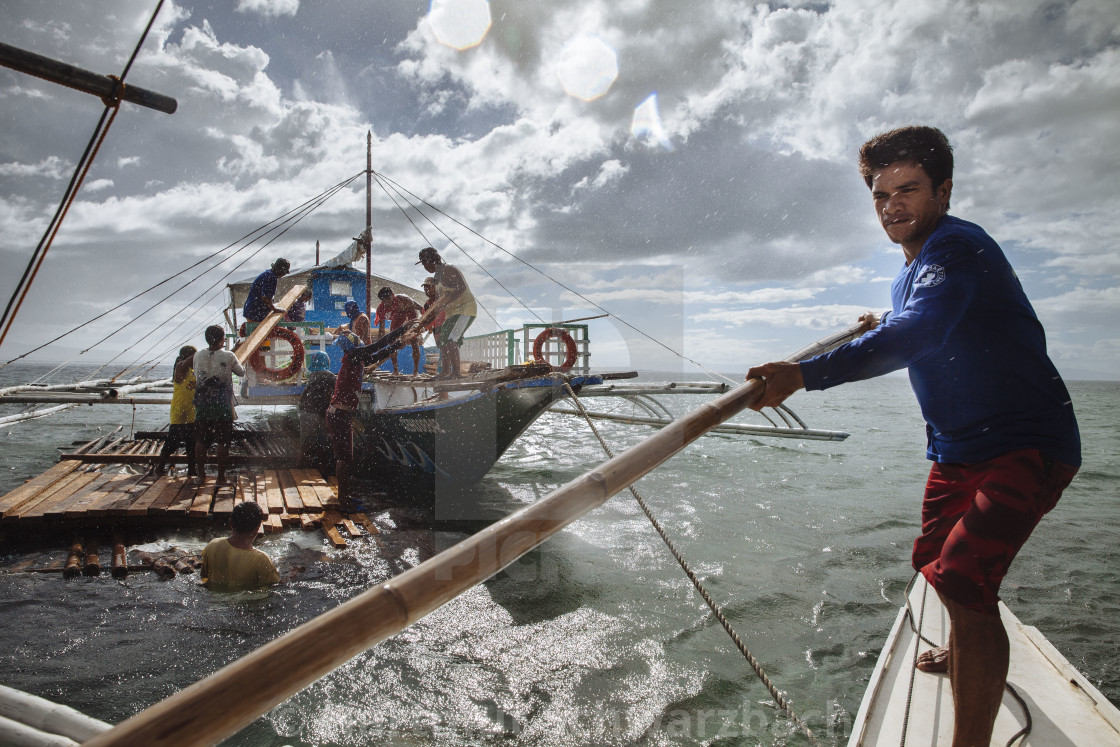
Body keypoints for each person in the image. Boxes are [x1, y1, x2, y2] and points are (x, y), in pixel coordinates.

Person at [744, 125, 1080, 747]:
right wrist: (880, 319)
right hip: (957, 449)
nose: (892, 205)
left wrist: (802, 374)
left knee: (964, 580)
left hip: (1024, 444)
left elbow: (920, 333)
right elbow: (909, 317)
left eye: (909, 190)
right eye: (880, 195)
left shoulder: (958, 248)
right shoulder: (913, 269)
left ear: (943, 191)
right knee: (934, 563)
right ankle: (963, 649)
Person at [326, 327, 415, 510]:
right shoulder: (353, 357)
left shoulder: (355, 360)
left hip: (341, 414)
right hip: (339, 414)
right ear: (354, 347)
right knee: (344, 459)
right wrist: (401, 336)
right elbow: (378, 346)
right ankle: (344, 501)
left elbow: (378, 351)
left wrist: (400, 338)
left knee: (346, 458)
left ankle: (346, 496)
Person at [193, 325, 246, 486]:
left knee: (201, 439)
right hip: (221, 404)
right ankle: (220, 478)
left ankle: (201, 476)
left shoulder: (198, 355)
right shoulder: (229, 356)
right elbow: (241, 372)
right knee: (223, 441)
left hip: (202, 403)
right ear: (223, 339)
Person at [415, 247, 475, 378]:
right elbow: (440, 303)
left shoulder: (448, 269)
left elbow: (461, 288)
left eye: (425, 263)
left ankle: (456, 373)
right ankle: (445, 371)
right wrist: (423, 323)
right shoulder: (437, 276)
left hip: (465, 309)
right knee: (443, 340)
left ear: (431, 260)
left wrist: (448, 297)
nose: (425, 267)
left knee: (451, 338)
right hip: (452, 312)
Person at [200, 501, 280, 590]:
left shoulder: (213, 545)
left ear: (230, 523)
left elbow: (203, 576)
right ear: (257, 529)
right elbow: (274, 587)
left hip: (214, 599)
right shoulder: (261, 559)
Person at [152, 346, 198, 477]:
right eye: (194, 355)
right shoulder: (180, 368)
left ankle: (192, 469)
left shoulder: (194, 370)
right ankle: (160, 468)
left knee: (191, 442)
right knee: (172, 440)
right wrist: (202, 353)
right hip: (179, 409)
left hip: (192, 410)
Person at [298, 351, 336, 471]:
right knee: (322, 442)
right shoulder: (328, 375)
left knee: (305, 443)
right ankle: (323, 469)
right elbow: (338, 388)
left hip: (306, 410)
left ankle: (298, 467)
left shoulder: (313, 375)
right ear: (325, 362)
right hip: (318, 412)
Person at [373, 286, 423, 375]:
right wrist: (380, 345)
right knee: (392, 341)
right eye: (384, 301)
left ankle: (415, 372)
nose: (387, 302)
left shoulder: (404, 300)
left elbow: (421, 308)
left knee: (414, 340)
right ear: (382, 301)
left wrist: (423, 324)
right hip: (397, 317)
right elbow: (381, 330)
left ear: (393, 295)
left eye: (388, 299)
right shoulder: (381, 308)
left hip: (411, 315)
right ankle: (396, 370)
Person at [242, 258, 291, 324]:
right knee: (260, 332)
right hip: (255, 312)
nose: (284, 275)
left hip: (252, 310)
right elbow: (266, 298)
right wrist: (274, 309)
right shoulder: (271, 277)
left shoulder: (267, 274)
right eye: (284, 272)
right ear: (280, 270)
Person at [420, 277, 446, 376]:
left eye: (429, 287)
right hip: (437, 330)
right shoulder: (426, 305)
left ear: (436, 287)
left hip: (447, 328)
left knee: (447, 351)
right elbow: (424, 323)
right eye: (425, 288)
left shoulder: (443, 299)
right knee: (442, 351)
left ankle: (446, 372)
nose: (426, 290)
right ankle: (442, 372)